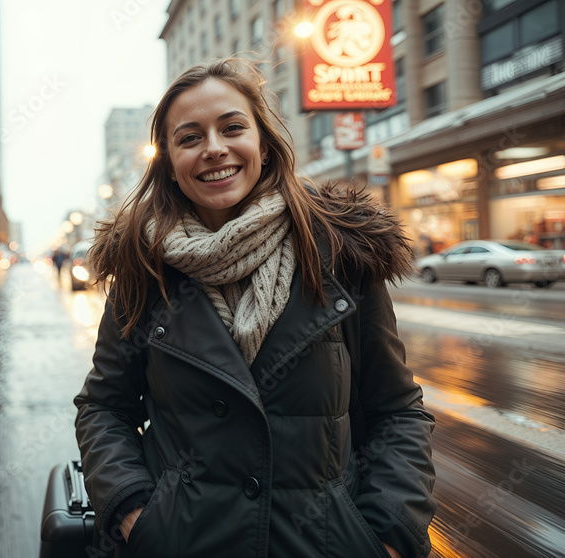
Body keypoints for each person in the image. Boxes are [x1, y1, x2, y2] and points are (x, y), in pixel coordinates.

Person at [74, 58, 436, 558]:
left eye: (232, 127)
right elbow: (104, 408)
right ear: (171, 166)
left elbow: (396, 411)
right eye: (190, 137)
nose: (214, 148)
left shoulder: (340, 255)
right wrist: (138, 514)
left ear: (263, 145)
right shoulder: (145, 270)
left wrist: (388, 531)